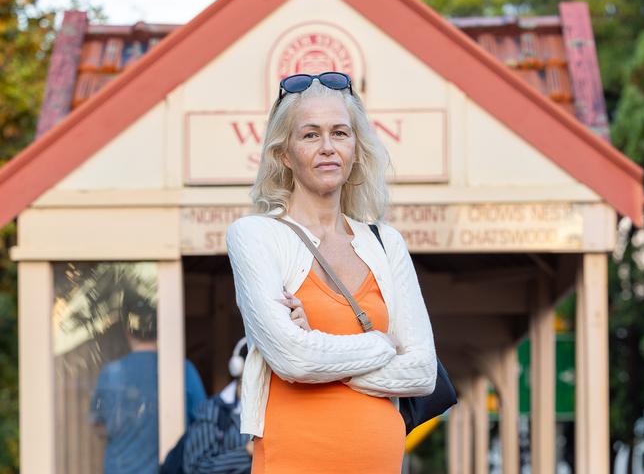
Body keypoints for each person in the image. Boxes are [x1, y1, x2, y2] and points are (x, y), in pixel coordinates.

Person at [226, 72, 437, 473]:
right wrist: (379, 344)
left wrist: (320, 352)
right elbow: (293, 360)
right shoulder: (254, 235)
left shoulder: (385, 243)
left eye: (340, 133)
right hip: (292, 460)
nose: (327, 147)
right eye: (310, 135)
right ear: (284, 154)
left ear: (356, 149)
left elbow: (423, 372)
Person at [90, 289, 207, 474]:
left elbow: (98, 426)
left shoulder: (111, 373)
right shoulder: (183, 369)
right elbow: (204, 425)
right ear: (160, 329)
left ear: (127, 331)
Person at [182, 337, 253, 474]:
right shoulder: (212, 411)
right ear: (238, 369)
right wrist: (247, 452)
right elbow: (194, 466)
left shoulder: (275, 411)